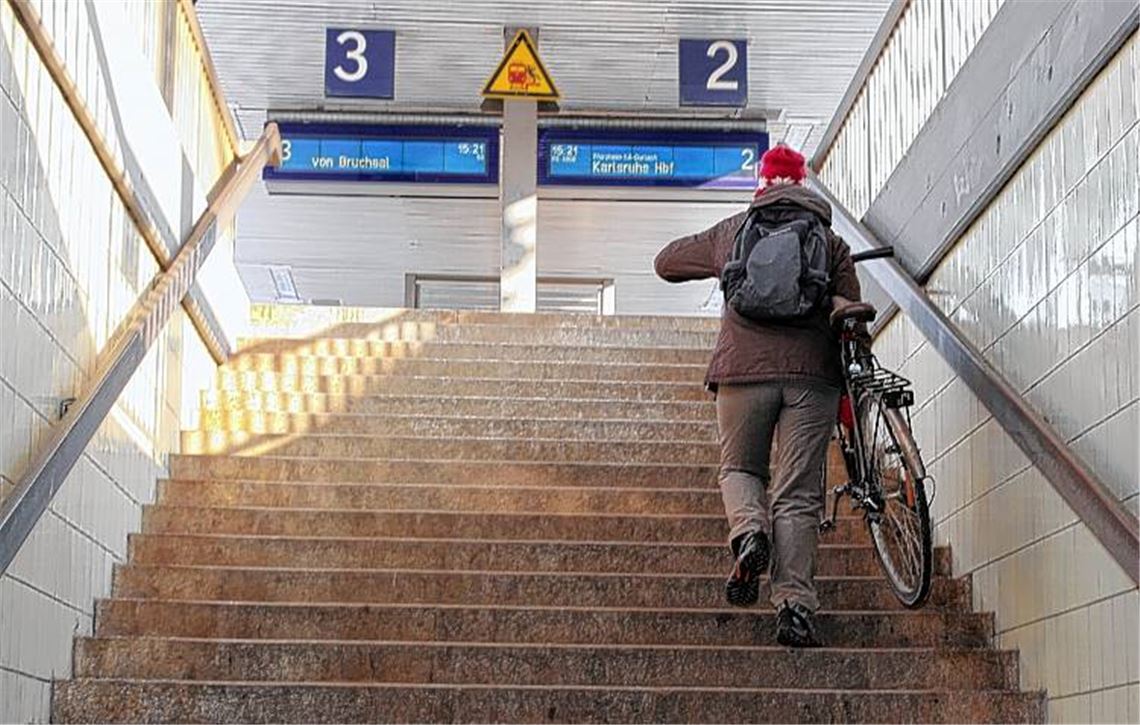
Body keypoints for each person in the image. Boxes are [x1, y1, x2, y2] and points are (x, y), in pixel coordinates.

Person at [653, 144, 867, 648]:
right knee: (797, 496)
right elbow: (852, 316)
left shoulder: (733, 231)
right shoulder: (830, 242)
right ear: (802, 185)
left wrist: (717, 266)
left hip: (741, 372)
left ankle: (750, 533)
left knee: (742, 470)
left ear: (764, 184)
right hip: (812, 378)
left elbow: (665, 263)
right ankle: (794, 609)